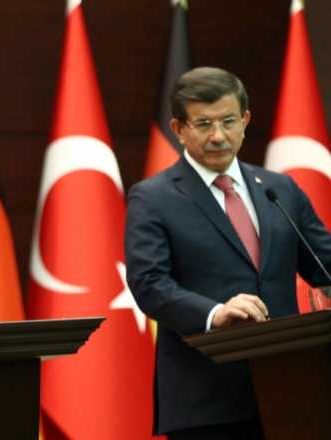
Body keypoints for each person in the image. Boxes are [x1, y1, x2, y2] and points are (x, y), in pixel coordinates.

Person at [125, 66, 331, 439]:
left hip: (294, 388)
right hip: (207, 397)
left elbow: (324, 265)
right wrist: (215, 313)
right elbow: (148, 283)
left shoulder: (279, 188)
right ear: (179, 129)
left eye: (228, 121)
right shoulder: (153, 198)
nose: (218, 136)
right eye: (203, 124)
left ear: (245, 120)